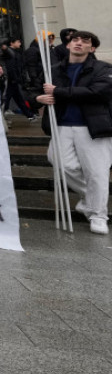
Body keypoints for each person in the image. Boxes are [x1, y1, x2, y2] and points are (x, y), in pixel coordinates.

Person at [28, 31, 112, 235]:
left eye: (85, 42)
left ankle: (98, 215)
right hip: (62, 125)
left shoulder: (103, 68)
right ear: (67, 45)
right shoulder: (54, 69)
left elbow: (98, 92)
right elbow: (33, 89)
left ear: (92, 49)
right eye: (75, 40)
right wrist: (38, 98)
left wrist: (58, 92)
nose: (79, 43)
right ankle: (92, 200)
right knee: (60, 162)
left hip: (92, 127)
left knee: (97, 171)